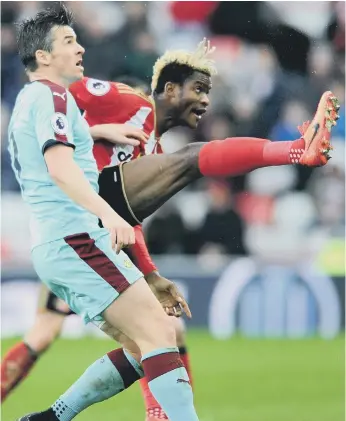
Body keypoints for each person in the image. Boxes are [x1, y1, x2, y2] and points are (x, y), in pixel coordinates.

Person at [13, 4, 340, 421]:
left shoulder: (151, 150)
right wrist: (92, 126)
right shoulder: (123, 100)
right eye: (197, 89)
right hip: (78, 221)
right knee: (194, 158)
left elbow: (128, 214)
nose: (204, 101)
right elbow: (57, 106)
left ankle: (53, 417)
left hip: (90, 229)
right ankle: (296, 150)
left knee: (149, 340)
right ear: (169, 89)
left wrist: (149, 274)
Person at [10, 5, 196, 421]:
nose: (80, 48)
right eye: (69, 41)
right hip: (74, 238)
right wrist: (107, 215)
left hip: (60, 242)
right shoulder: (55, 96)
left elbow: (44, 152)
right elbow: (59, 169)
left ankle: (49, 418)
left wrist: (94, 131)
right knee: (160, 334)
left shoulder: (31, 98)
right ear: (43, 56)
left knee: (139, 345)